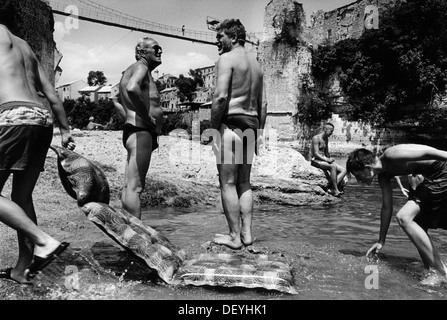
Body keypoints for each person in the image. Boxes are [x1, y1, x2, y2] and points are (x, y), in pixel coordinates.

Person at [0, 24, 74, 283]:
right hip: (41, 118)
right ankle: (23, 269)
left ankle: (44, 241)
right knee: (21, 196)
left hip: (12, 115)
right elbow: (51, 92)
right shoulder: (23, 44)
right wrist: (65, 131)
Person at [346, 144, 447, 284]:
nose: (358, 180)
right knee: (417, 221)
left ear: (367, 169)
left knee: (404, 217)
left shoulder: (392, 155)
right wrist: (381, 240)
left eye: (358, 176)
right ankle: (430, 268)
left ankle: (440, 272)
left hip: (442, 170)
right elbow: (387, 207)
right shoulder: (383, 176)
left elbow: (429, 153)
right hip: (432, 176)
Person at [209, 19, 267, 250]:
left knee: (228, 182)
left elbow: (221, 97)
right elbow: (263, 105)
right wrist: (259, 134)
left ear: (233, 37)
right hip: (251, 125)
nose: (217, 42)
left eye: (220, 37)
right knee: (245, 182)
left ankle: (233, 236)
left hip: (231, 125)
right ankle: (247, 234)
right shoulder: (257, 66)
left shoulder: (226, 59)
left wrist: (213, 129)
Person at [118, 37, 163, 219]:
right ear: (142, 52)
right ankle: (137, 236)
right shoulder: (141, 67)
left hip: (133, 130)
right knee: (136, 187)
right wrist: (146, 118)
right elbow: (131, 88)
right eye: (156, 48)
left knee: (129, 185)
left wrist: (131, 117)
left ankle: (127, 229)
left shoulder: (131, 70)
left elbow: (116, 98)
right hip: (140, 131)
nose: (160, 51)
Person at [310, 123, 347, 197]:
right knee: (333, 167)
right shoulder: (316, 138)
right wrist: (326, 160)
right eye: (331, 131)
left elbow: (326, 152)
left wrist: (329, 158)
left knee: (344, 170)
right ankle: (335, 190)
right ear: (325, 129)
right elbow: (316, 153)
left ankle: (332, 188)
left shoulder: (326, 139)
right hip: (315, 160)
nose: (332, 133)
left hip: (323, 160)